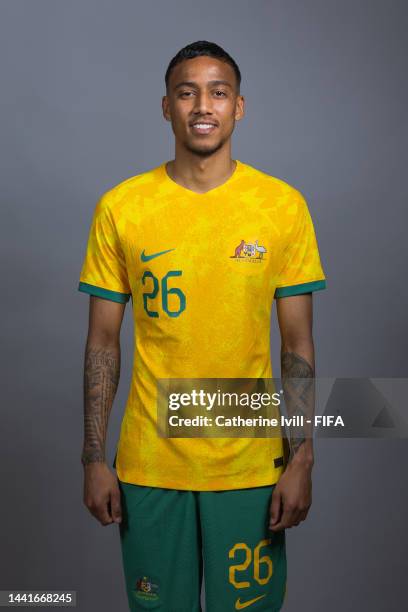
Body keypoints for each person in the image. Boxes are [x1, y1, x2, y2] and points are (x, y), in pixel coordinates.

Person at [78, 40, 327, 612]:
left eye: (218, 92)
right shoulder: (123, 207)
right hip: (149, 464)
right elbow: (101, 344)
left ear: (239, 107)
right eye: (187, 93)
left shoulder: (281, 207)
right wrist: (94, 457)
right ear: (166, 107)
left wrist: (303, 458)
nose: (202, 106)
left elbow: (298, 344)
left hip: (251, 465)